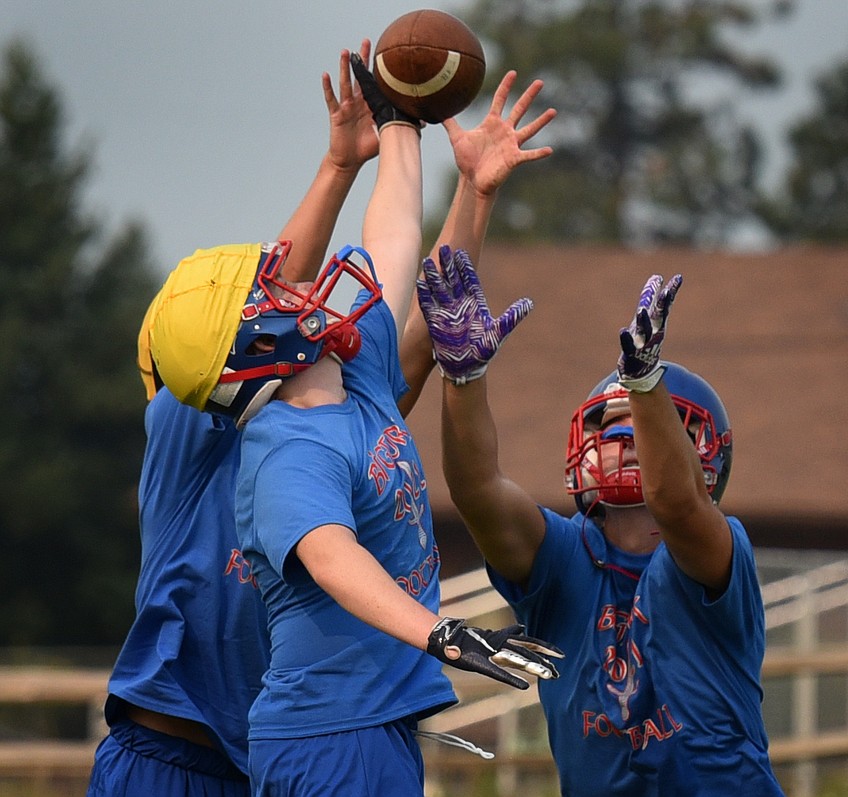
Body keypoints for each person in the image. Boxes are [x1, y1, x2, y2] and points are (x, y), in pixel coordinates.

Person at [89, 39, 559, 796]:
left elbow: (411, 293)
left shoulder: (333, 387)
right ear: (243, 338)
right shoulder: (198, 417)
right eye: (267, 293)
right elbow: (276, 283)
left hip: (284, 737)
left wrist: (436, 157)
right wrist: (339, 167)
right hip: (176, 752)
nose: (295, 288)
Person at [416, 254, 787, 796]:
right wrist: (463, 380)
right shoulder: (564, 558)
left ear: (701, 453)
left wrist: (645, 386)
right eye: (610, 426)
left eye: (642, 424)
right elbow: (477, 490)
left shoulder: (717, 547)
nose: (622, 438)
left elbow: (678, 507)